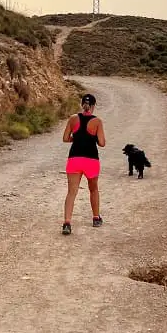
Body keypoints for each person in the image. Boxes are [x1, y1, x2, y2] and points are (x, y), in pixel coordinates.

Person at [61, 93, 105, 235]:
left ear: (82, 105)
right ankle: (96, 218)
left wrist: (77, 139)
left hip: (74, 159)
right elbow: (102, 143)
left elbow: (65, 138)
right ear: (93, 106)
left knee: (71, 192)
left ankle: (67, 223)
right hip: (91, 160)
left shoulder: (73, 119)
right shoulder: (97, 121)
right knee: (93, 189)